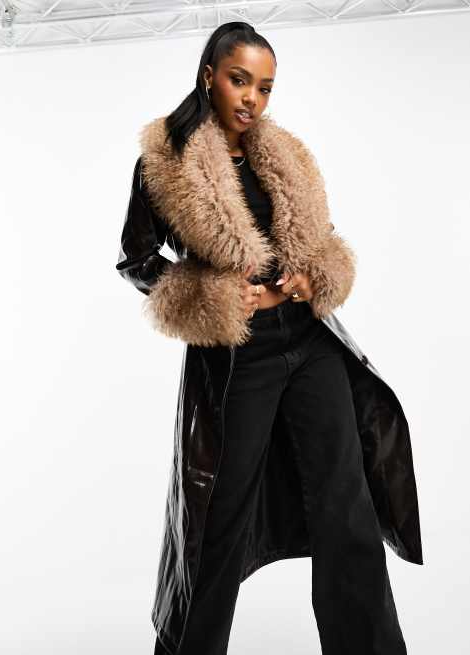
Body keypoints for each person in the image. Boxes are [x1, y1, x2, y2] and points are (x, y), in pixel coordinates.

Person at [116, 21, 423, 655]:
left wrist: (311, 278)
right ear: (209, 76)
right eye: (240, 81)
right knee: (218, 518)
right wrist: (214, 297)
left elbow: (323, 238)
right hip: (238, 358)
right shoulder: (166, 163)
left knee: (346, 504)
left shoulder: (284, 155)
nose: (252, 99)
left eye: (264, 87)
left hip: (310, 345)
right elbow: (136, 261)